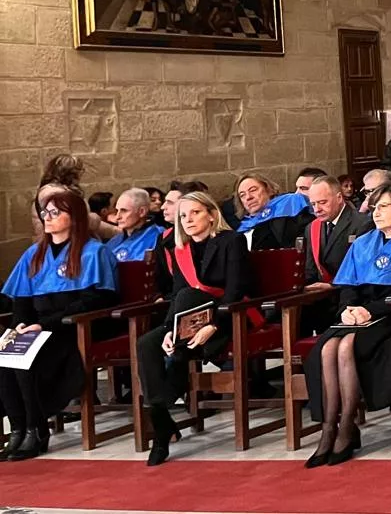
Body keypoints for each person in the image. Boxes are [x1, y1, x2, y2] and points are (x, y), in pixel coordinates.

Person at [303, 181, 391, 468]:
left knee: (348, 346)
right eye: (374, 207)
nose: (376, 213)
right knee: (327, 348)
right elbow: (348, 285)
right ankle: (329, 426)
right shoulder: (364, 241)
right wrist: (347, 310)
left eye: (383, 207)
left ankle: (346, 425)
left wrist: (370, 310)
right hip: (360, 312)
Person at [0, 190, 118, 460]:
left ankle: (37, 428)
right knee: (6, 357)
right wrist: (20, 326)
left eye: (55, 212)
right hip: (37, 327)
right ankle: (17, 428)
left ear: (74, 217)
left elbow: (97, 299)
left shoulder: (93, 251)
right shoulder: (33, 254)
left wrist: (44, 325)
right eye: (45, 213)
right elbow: (22, 299)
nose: (48, 218)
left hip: (71, 327)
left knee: (27, 360)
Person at [138, 191, 249, 466]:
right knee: (146, 343)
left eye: (195, 213)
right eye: (183, 215)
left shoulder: (231, 241)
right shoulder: (180, 250)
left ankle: (161, 415)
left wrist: (213, 325)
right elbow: (177, 295)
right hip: (187, 321)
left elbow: (235, 291)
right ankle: (161, 419)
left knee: (188, 299)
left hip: (227, 315)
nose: (188, 220)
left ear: (211, 215)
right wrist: (168, 329)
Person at [302, 175, 364, 332]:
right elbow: (311, 270)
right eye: (313, 204)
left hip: (353, 301)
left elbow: (363, 271)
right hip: (322, 303)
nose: (317, 209)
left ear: (339, 198)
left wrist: (332, 286)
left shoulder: (362, 223)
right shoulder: (312, 228)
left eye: (323, 202)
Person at [234, 172, 312, 250]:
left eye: (253, 190)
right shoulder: (244, 227)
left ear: (269, 190)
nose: (248, 197)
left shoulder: (290, 204)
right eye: (242, 195)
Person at [105, 188, 165, 263]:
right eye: (117, 211)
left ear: (142, 212)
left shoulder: (160, 236)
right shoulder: (115, 240)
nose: (118, 217)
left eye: (124, 211)